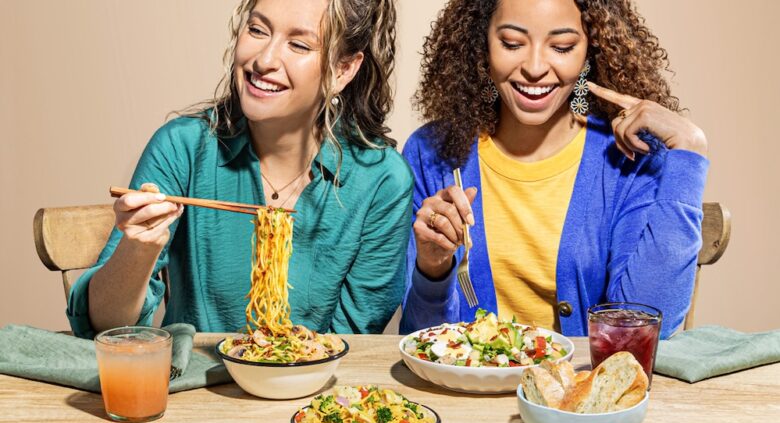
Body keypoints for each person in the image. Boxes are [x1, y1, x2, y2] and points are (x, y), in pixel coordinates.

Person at [67, 0, 412, 339]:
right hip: (195, 389)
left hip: (314, 392)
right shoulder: (183, 148)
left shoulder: (381, 180)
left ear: (343, 69)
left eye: (298, 44)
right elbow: (104, 326)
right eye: (258, 29)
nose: (263, 60)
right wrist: (138, 249)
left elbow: (353, 343)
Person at [401, 0, 709, 339]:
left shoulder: (629, 160)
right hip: (465, 388)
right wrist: (433, 266)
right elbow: (421, 339)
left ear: (590, 50)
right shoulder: (432, 153)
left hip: (579, 389)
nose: (534, 67)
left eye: (561, 47)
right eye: (512, 44)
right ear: (481, 45)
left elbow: (644, 329)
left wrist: (689, 149)